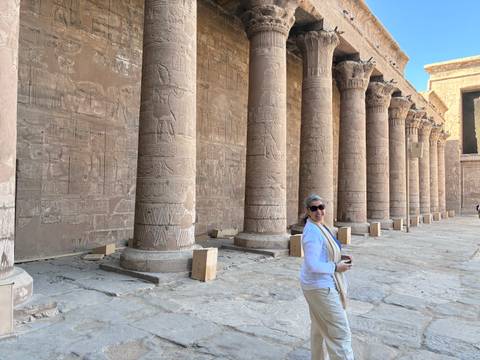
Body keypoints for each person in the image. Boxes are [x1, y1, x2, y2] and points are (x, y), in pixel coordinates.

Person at [300, 194, 354, 360]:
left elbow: (324, 253)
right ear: (308, 211)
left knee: (319, 327)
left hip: (315, 286)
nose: (319, 211)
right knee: (340, 332)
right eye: (314, 208)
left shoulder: (320, 227)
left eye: (321, 207)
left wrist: (340, 256)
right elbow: (312, 265)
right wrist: (336, 267)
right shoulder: (312, 233)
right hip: (321, 287)